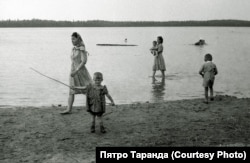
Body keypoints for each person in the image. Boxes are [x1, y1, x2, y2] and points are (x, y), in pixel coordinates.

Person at [60, 32, 93, 114]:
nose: (72, 41)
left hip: (80, 71)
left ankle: (93, 106)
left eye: (74, 39)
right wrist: (73, 71)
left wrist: (76, 71)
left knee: (87, 89)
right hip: (73, 71)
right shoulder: (73, 48)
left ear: (78, 39)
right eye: (71, 39)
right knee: (72, 90)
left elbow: (84, 61)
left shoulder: (82, 48)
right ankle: (69, 109)